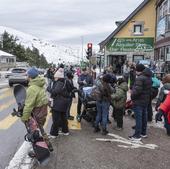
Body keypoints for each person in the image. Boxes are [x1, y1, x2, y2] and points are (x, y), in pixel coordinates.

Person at [21, 67, 53, 155]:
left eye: (27, 75)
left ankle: (40, 152)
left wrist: (24, 117)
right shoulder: (41, 84)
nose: (27, 76)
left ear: (30, 76)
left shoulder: (32, 88)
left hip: (37, 113)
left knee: (35, 133)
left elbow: (29, 105)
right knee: (41, 130)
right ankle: (48, 145)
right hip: (43, 111)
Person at [129, 64, 152, 141]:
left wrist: (132, 94)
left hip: (139, 101)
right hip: (145, 100)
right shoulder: (148, 77)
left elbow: (137, 91)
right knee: (144, 117)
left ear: (138, 70)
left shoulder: (140, 78)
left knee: (138, 118)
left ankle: (137, 135)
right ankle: (143, 133)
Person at [49, 68, 72, 137]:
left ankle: (54, 134)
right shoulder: (66, 81)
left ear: (58, 77)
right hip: (65, 102)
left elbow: (55, 91)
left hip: (59, 103)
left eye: (55, 77)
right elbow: (71, 89)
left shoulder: (59, 82)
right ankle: (65, 131)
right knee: (63, 117)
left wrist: (48, 89)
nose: (54, 78)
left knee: (56, 119)